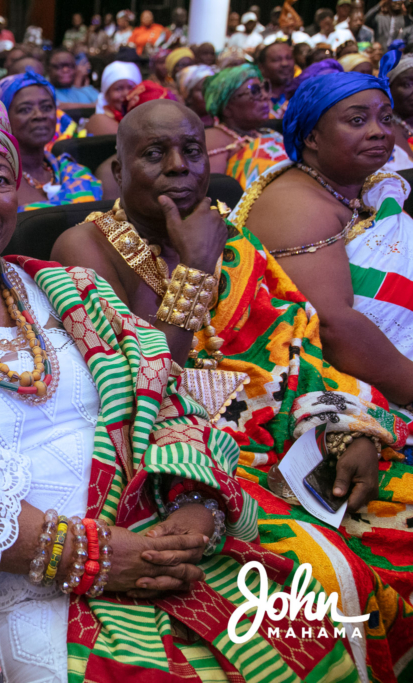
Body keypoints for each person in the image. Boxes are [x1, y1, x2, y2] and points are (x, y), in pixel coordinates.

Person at [0, 87, 376, 683]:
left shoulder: (62, 291)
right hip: (25, 588)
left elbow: (165, 394)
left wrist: (194, 511)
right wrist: (99, 557)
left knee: (307, 639)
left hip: (155, 544)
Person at [47, 100, 413, 682]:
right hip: (184, 467)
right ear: (117, 168)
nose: (178, 168)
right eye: (153, 154)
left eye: (191, 152)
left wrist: (345, 429)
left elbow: (298, 347)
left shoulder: (235, 241)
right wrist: (195, 263)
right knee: (321, 576)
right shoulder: (83, 247)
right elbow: (143, 380)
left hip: (290, 443)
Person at [238, 67, 413, 427]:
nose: (379, 131)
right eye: (357, 120)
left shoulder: (357, 192)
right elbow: (331, 328)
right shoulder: (296, 204)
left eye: (385, 117)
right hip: (331, 393)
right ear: (313, 137)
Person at [0, 70, 102, 209]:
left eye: (47, 107)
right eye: (25, 110)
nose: (39, 115)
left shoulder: (73, 171)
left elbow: (106, 225)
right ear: (3, 119)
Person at [202, 64, 288, 190]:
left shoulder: (267, 132)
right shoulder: (216, 139)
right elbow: (215, 193)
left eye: (264, 88)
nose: (265, 96)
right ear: (226, 108)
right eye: (254, 91)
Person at [86, 60, 141, 135]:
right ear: (107, 95)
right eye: (118, 88)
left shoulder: (143, 117)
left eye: (131, 88)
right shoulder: (99, 120)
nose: (126, 94)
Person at [258, 40, 295, 118]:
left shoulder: (302, 94)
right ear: (261, 67)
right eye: (276, 60)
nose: (285, 63)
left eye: (289, 58)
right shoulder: (254, 97)